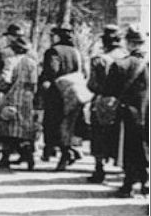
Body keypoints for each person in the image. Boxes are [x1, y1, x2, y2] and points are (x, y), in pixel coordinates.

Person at [103, 27, 149, 197]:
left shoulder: (120, 64)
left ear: (128, 43)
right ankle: (146, 181)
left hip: (130, 113)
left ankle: (129, 183)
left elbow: (109, 91)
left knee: (130, 148)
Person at [39, 23, 86, 170]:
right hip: (75, 91)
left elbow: (52, 70)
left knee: (54, 123)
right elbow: (84, 73)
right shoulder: (77, 52)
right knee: (70, 123)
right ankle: (71, 150)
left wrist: (43, 81)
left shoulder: (53, 51)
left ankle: (65, 153)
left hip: (57, 92)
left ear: (57, 36)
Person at [86, 25, 128, 183]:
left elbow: (92, 85)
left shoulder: (99, 59)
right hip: (123, 101)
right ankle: (124, 169)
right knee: (120, 134)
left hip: (103, 101)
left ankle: (99, 169)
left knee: (98, 134)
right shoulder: (127, 57)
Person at [0, 36, 38, 170]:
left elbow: (5, 80)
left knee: (7, 129)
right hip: (27, 99)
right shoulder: (32, 63)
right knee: (24, 129)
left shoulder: (10, 61)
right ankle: (29, 157)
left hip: (12, 97)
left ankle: (5, 158)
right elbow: (34, 83)